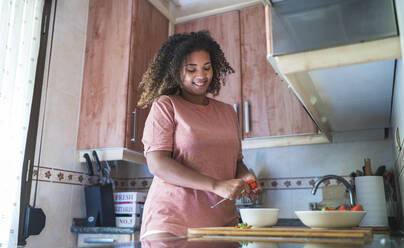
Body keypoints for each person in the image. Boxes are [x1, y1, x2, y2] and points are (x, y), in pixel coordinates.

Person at [137, 30, 262, 241]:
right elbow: (157, 164)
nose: (202, 76)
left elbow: (236, 161)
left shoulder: (228, 112)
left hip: (223, 226)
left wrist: (245, 176)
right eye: (191, 69)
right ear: (176, 71)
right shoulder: (166, 105)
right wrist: (216, 185)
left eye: (207, 67)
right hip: (173, 224)